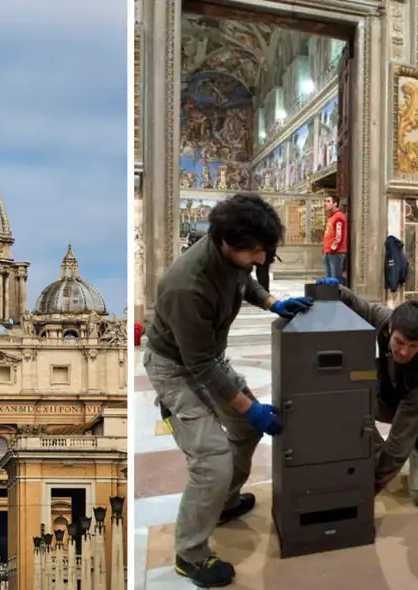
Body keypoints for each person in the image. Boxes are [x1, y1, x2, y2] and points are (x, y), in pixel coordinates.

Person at [143, 193, 313, 587]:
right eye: (255, 252)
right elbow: (199, 367)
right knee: (212, 460)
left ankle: (222, 504)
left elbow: (244, 281)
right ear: (225, 243)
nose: (261, 259)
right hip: (175, 368)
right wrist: (249, 407)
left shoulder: (232, 254)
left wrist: (273, 302)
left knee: (244, 431)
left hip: (207, 357)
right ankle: (190, 554)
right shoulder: (185, 286)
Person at [334, 283, 418, 507]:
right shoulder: (388, 320)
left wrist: (366, 491)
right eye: (399, 342)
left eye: (413, 346)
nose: (404, 351)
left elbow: (397, 447)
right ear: (389, 330)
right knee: (353, 401)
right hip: (394, 398)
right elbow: (362, 306)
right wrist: (336, 290)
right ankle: (379, 455)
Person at [322, 195, 348, 281]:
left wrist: (332, 249)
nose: (325, 203)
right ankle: (330, 294)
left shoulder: (338, 216)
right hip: (329, 252)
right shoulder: (331, 217)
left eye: (328, 201)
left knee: (335, 279)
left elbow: (338, 236)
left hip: (335, 253)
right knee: (329, 279)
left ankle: (337, 294)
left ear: (335, 204)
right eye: (325, 201)